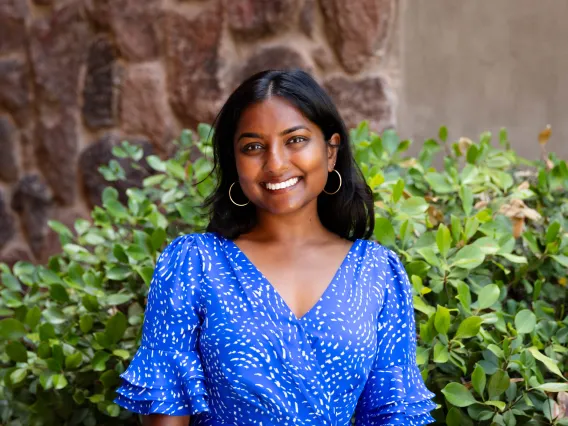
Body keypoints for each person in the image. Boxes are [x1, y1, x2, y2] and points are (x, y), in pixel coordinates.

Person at [114, 69, 436, 425]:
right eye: (253, 147)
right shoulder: (194, 265)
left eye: (295, 140)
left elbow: (393, 414)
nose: (276, 163)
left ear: (330, 152)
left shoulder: (377, 272)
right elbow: (167, 415)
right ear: (234, 163)